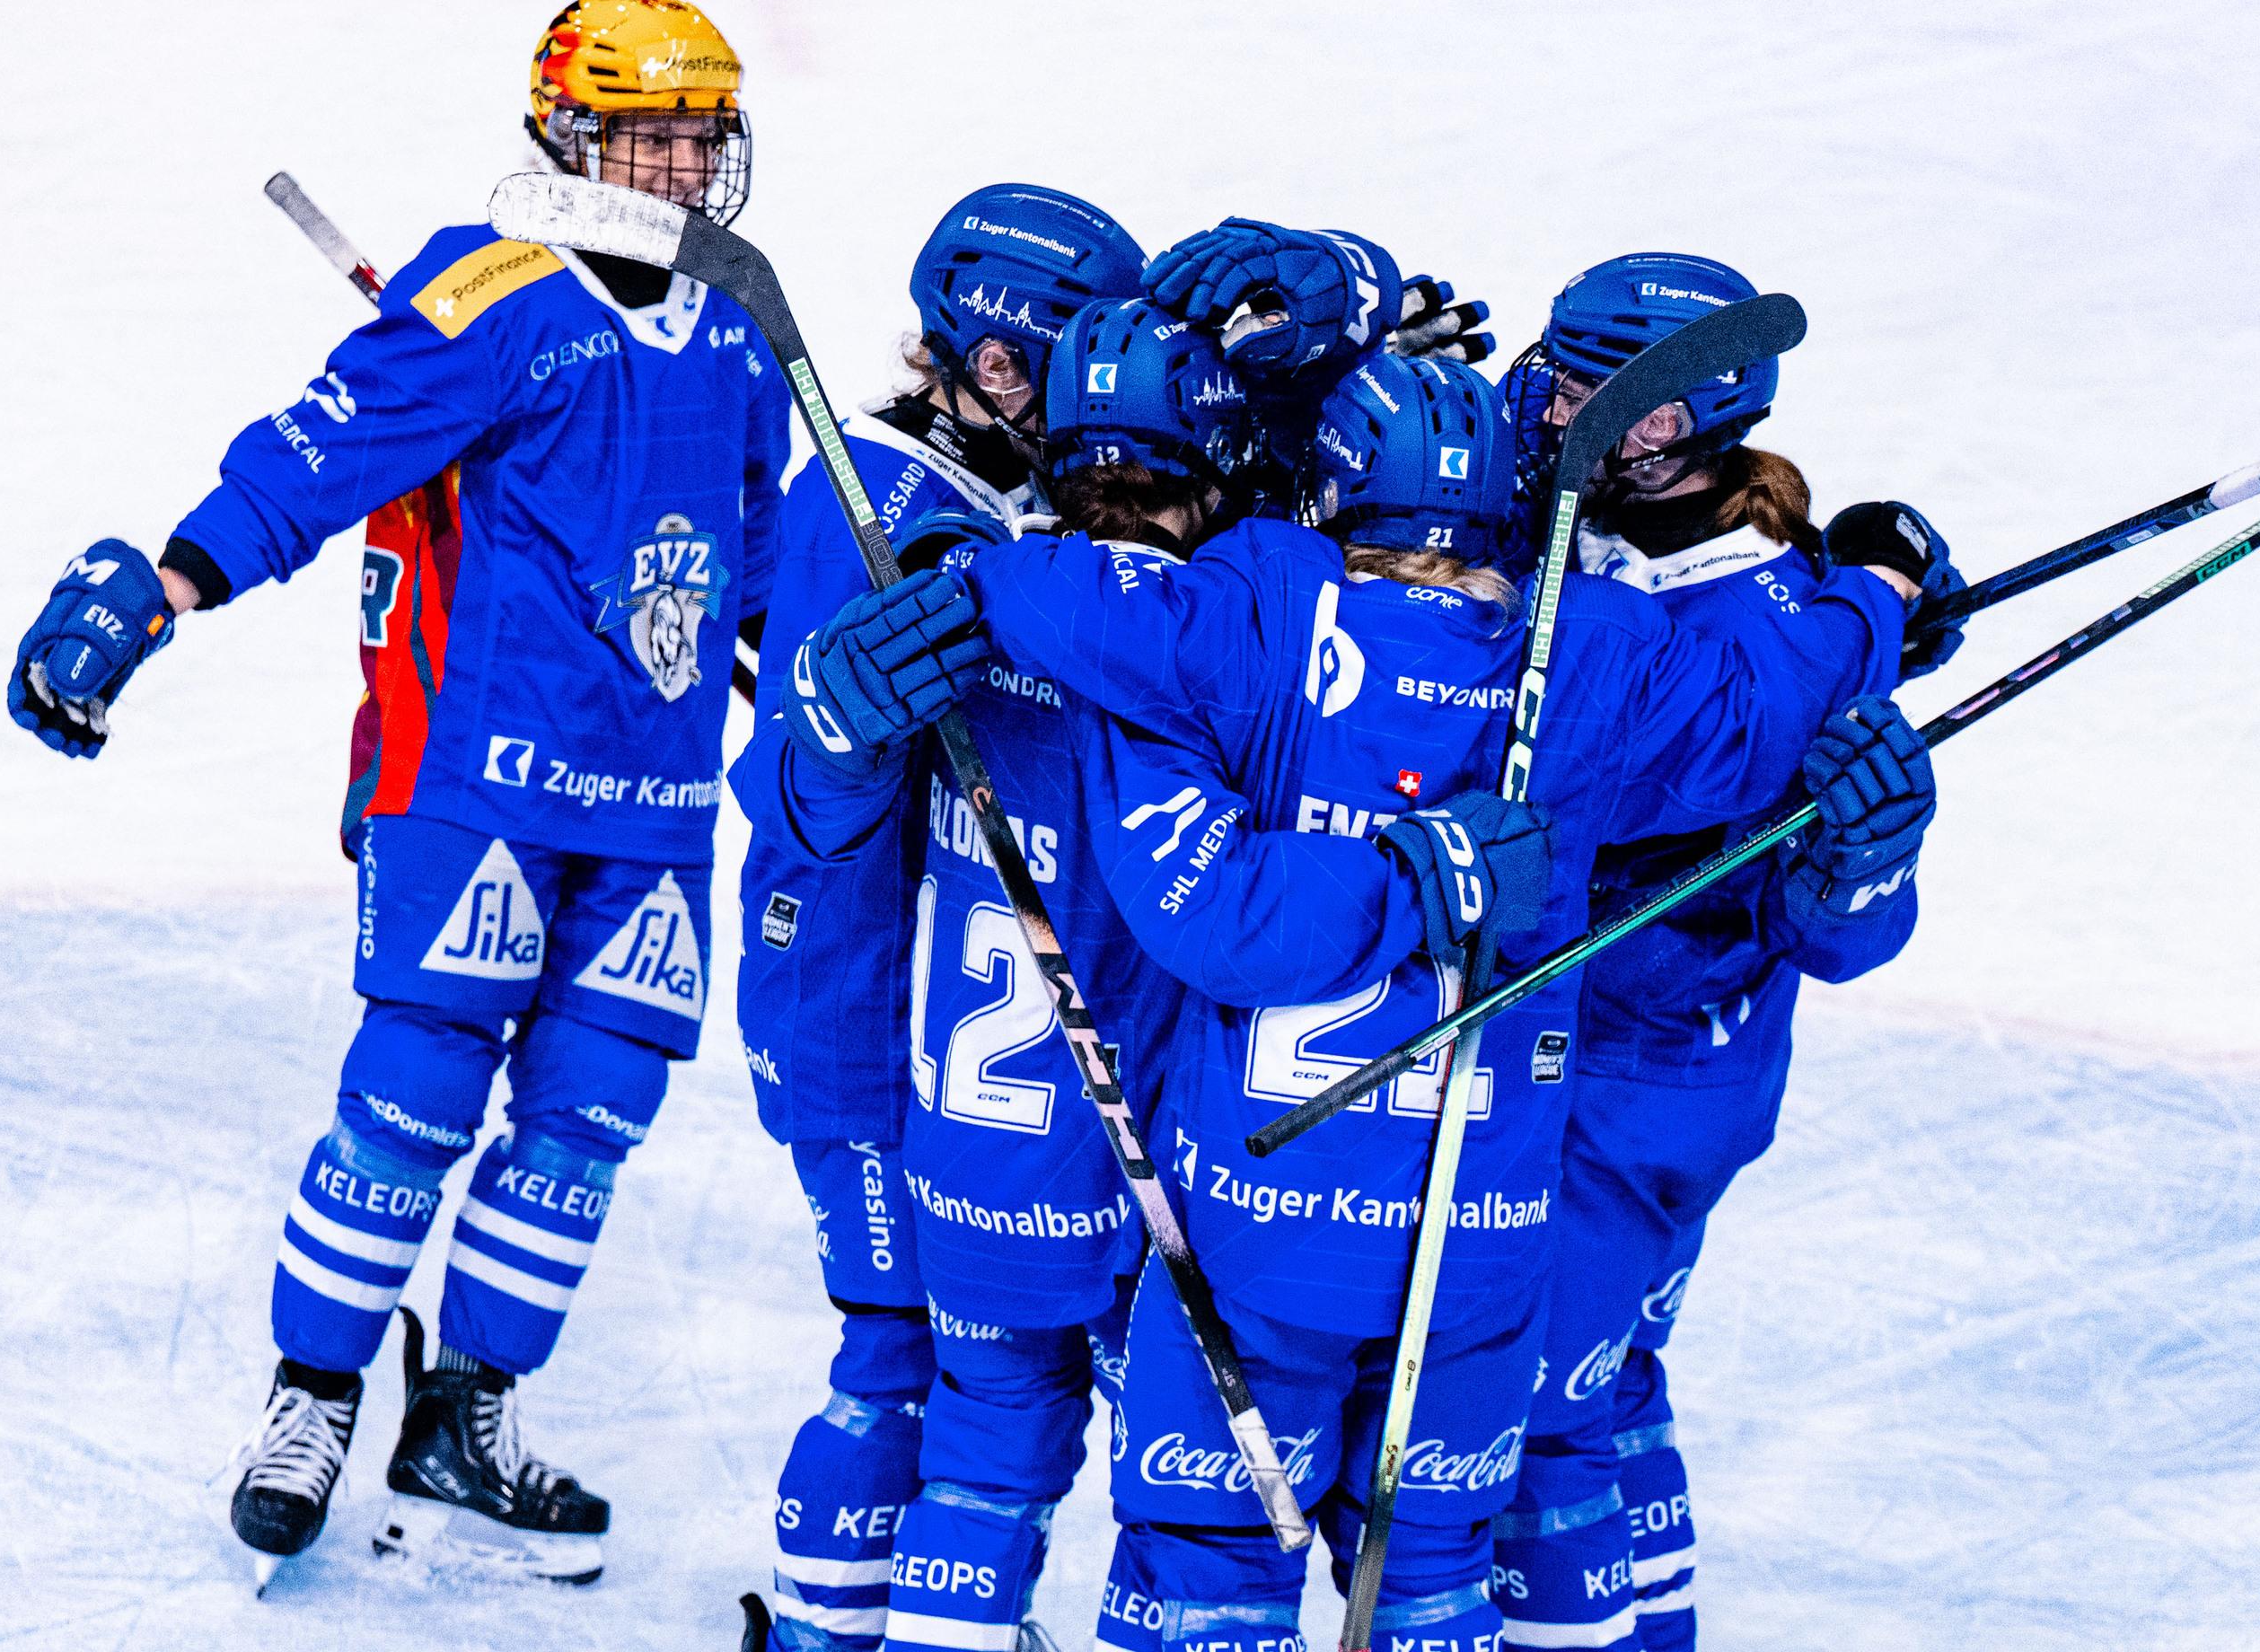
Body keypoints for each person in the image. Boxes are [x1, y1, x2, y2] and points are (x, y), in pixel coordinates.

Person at [805, 215, 1916, 1652]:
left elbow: (1101, 637)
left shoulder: (1253, 609)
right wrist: (1875, 599)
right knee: (1464, 1548)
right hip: (1478, 1233)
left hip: (1238, 1221)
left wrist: (957, 579)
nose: (1554, 404)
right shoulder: (1591, 642)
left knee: (1154, 1538)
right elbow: (1767, 718)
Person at [4, 0, 786, 1588]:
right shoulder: (488, 290)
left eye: (700, 135)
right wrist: (170, 585)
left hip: (653, 809)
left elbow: (759, 542)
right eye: (649, 133)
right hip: (472, 783)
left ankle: (465, 1414)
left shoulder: (738, 318)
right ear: (569, 132)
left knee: (588, 1122)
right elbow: (324, 451)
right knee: (412, 1100)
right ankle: (310, 1399)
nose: (681, 166)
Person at [764, 295, 1264, 1652]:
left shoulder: (983, 595)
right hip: (1126, 1149)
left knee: (973, 1442)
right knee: (1175, 1489)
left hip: (971, 1145)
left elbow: (817, 794)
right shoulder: (1219, 636)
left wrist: (837, 727)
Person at [1486, 255, 1962, 1652]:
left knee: (1539, 1419)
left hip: (1643, 1082)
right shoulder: (1607, 504)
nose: (1547, 402)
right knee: (1607, 1387)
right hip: (1592, 1053)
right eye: (1555, 368)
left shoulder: (1761, 623)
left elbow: (1825, 919)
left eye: (1587, 390)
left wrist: (1868, 624)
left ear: (1674, 423)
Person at [731, 185, 1146, 1652]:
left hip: (935, 1016)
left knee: (957, 1355)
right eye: (1057, 364)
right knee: (895, 1358)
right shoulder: (870, 499)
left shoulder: (1014, 492)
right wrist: (844, 732)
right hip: (847, 1008)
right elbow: (788, 799)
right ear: (985, 359)